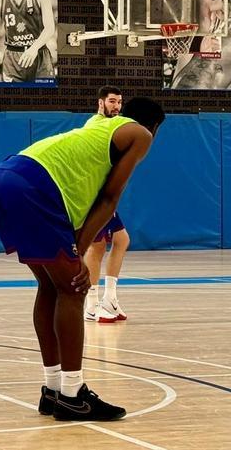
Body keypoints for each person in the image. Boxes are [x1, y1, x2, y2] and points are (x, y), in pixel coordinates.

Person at [0, 96, 164, 422]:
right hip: (34, 186)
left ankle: (53, 389)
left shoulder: (100, 125)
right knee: (73, 288)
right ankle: (72, 394)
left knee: (51, 287)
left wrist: (76, 246)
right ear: (153, 126)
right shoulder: (141, 135)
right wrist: (78, 251)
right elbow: (109, 198)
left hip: (5, 176)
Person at [82, 87, 131, 324]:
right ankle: (91, 304)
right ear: (100, 102)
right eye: (112, 101)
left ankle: (109, 297)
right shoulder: (95, 125)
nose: (117, 106)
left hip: (104, 193)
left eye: (120, 102)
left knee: (121, 240)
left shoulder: (114, 125)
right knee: (97, 246)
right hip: (93, 194)